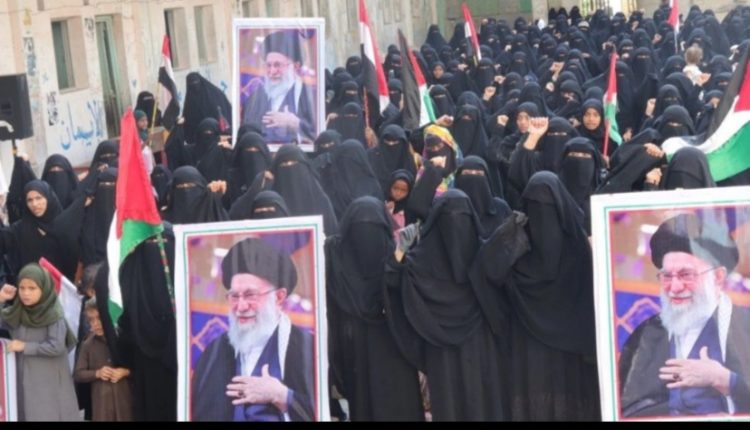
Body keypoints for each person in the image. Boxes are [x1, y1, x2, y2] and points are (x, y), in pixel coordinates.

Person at [619, 212, 750, 417]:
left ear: (717, 277)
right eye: (667, 276)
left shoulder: (746, 328)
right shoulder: (646, 335)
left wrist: (725, 380)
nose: (675, 287)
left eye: (686, 275)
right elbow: (626, 406)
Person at [191, 237, 314, 421]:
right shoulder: (213, 353)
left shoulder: (307, 349)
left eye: (250, 295)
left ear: (279, 297)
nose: (241, 307)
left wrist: (282, 396)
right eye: (234, 296)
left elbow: (322, 409)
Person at [0, 263, 81, 421]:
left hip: (49, 379)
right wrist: (1, 298)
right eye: (22, 288)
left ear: (44, 289)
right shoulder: (17, 311)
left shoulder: (53, 315)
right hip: (25, 376)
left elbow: (56, 346)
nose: (26, 293)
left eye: (32, 288)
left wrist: (25, 346)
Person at [242, 29, 316, 145]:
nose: (272, 72)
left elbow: (319, 134)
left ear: (296, 66)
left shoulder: (309, 95)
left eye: (278, 65)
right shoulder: (256, 97)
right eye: (268, 65)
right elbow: (246, 131)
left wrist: (295, 123)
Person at [74, 298, 134, 421]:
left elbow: (141, 368)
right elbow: (78, 374)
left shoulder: (124, 339)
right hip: (102, 405)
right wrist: (97, 373)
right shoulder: (88, 344)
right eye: (91, 320)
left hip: (125, 401)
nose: (95, 324)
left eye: (99, 318)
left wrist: (125, 372)